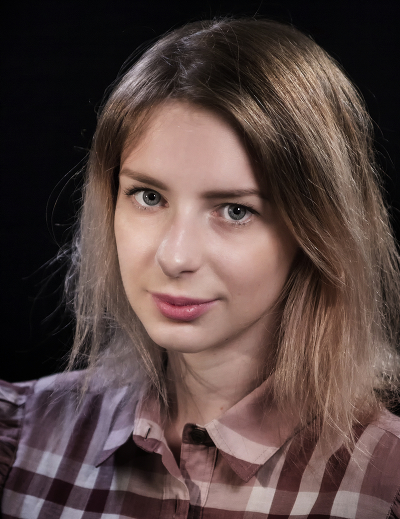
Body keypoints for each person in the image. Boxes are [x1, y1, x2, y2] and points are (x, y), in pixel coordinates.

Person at [1, 17, 400, 519]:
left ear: (317, 230)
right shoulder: (21, 443)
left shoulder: (384, 485)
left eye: (234, 210)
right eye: (148, 197)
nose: (175, 256)